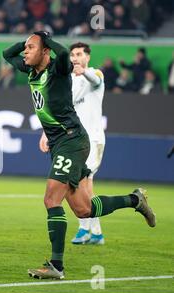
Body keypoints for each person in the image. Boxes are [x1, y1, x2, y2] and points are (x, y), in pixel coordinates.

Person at [2, 32, 156, 280]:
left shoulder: (58, 69)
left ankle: (56, 266)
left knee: (51, 200)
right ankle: (135, 200)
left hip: (71, 141)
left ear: (45, 52)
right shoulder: (31, 70)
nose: (24, 52)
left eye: (31, 48)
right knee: (84, 209)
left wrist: (44, 38)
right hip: (61, 143)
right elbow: (6, 54)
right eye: (25, 48)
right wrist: (30, 41)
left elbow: (62, 53)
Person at [64, 42, 106, 245]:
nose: (75, 58)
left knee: (82, 184)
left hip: (94, 140)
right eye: (72, 54)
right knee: (84, 186)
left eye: (79, 54)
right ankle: (95, 232)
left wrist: (84, 72)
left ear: (87, 56)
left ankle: (85, 229)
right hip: (77, 141)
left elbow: (95, 80)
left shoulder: (95, 75)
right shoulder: (70, 80)